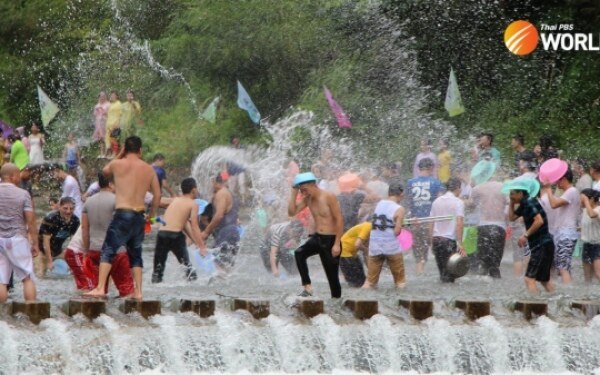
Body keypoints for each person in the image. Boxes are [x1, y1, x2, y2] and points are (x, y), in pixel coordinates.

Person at [85, 136, 161, 300]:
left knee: (108, 250)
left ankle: (99, 288)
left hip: (123, 213)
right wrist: (152, 216)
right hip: (139, 215)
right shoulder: (149, 169)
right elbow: (158, 195)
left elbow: (104, 171)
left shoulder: (117, 164)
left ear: (125, 149)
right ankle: (139, 292)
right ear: (140, 150)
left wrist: (120, 154)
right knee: (136, 254)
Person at [67, 172, 134, 296]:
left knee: (98, 289)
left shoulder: (88, 202)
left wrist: (87, 251)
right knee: (127, 290)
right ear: (110, 184)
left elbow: (85, 229)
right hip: (117, 252)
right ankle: (128, 315)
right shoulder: (118, 200)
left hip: (95, 251)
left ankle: (99, 314)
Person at [288, 172, 343, 298]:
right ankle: (307, 287)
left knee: (332, 278)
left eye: (305, 190)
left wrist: (336, 244)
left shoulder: (328, 196)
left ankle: (336, 303)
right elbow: (292, 212)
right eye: (301, 191)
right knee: (299, 253)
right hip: (318, 238)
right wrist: (293, 193)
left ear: (313, 184)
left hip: (331, 240)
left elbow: (339, 219)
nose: (303, 193)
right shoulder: (308, 199)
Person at [152, 177, 208, 283]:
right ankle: (193, 288)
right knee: (188, 267)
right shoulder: (193, 204)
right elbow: (194, 227)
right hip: (175, 237)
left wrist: (196, 242)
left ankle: (155, 287)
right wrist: (202, 247)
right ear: (193, 190)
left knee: (158, 270)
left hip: (162, 234)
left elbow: (184, 225)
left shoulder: (175, 200)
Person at [506, 178, 555, 294]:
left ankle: (535, 307)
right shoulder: (525, 203)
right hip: (545, 244)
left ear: (520, 193)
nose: (510, 196)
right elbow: (511, 218)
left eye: (512, 194)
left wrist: (525, 235)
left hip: (541, 245)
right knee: (544, 280)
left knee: (529, 279)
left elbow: (539, 221)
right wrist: (512, 203)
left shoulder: (529, 202)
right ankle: (557, 302)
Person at [0, 164, 39, 303]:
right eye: (17, 175)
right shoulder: (23, 194)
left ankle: (3, 320)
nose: (19, 178)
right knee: (27, 278)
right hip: (17, 238)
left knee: (1, 280)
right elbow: (31, 220)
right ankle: (32, 315)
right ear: (11, 176)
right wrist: (35, 242)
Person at [363, 179, 406, 289]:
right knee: (400, 282)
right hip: (391, 247)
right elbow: (397, 231)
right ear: (401, 194)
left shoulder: (379, 204)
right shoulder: (399, 209)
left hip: (375, 246)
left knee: (370, 282)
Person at [541, 166, 579, 284]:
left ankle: (568, 295)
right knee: (563, 267)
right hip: (564, 234)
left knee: (563, 268)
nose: (556, 182)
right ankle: (568, 291)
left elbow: (554, 204)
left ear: (564, 179)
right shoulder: (570, 192)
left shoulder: (571, 191)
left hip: (566, 234)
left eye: (558, 179)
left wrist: (548, 189)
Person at [406, 158, 443, 275]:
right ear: (431, 168)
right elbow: (439, 202)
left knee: (417, 250)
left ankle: (418, 271)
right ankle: (422, 272)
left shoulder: (410, 182)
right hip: (429, 221)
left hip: (414, 220)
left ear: (419, 168)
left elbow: (407, 201)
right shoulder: (436, 183)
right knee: (427, 248)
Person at [469, 162, 506, 278]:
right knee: (495, 265)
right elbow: (509, 204)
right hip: (499, 227)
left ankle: (483, 292)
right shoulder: (503, 187)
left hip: (483, 227)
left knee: (483, 263)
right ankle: (498, 289)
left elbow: (471, 205)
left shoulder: (477, 189)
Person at [201, 173, 240, 273]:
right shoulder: (232, 194)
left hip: (225, 232)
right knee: (227, 269)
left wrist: (206, 232)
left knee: (219, 267)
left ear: (214, 181)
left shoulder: (221, 193)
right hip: (233, 232)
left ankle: (219, 288)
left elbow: (219, 215)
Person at [430, 178, 466, 283]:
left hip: (436, 240)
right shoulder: (458, 202)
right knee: (451, 274)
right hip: (448, 242)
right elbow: (459, 223)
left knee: (442, 273)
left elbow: (431, 222)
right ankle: (448, 298)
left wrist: (431, 241)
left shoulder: (436, 201)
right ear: (458, 188)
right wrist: (460, 244)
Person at [38, 197, 80, 276]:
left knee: (72, 271)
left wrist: (72, 260)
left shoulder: (75, 221)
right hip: (43, 250)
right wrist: (50, 261)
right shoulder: (51, 218)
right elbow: (45, 242)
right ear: (59, 207)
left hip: (59, 250)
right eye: (65, 208)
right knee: (41, 274)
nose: (68, 211)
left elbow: (74, 241)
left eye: (71, 209)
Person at [580, 189, 600, 283]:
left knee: (598, 273)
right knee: (587, 278)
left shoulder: (598, 209)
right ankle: (588, 296)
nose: (581, 201)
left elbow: (592, 215)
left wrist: (586, 201)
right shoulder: (585, 210)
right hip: (587, 245)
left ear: (591, 199)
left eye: (583, 199)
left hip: (597, 246)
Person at [105, 91, 123, 158]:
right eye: (111, 95)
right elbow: (108, 115)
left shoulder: (119, 104)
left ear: (117, 96)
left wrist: (117, 123)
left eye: (113, 95)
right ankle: (111, 153)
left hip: (115, 125)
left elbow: (120, 115)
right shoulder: (110, 104)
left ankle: (115, 153)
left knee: (114, 140)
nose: (112, 96)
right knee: (108, 140)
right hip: (108, 125)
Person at [93, 91, 110, 156]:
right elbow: (95, 114)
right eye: (101, 96)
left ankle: (107, 153)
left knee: (107, 138)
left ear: (106, 97)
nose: (102, 97)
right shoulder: (97, 105)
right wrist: (97, 111)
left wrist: (104, 112)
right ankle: (101, 153)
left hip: (106, 122)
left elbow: (110, 113)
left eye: (103, 96)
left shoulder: (108, 104)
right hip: (99, 123)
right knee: (101, 139)